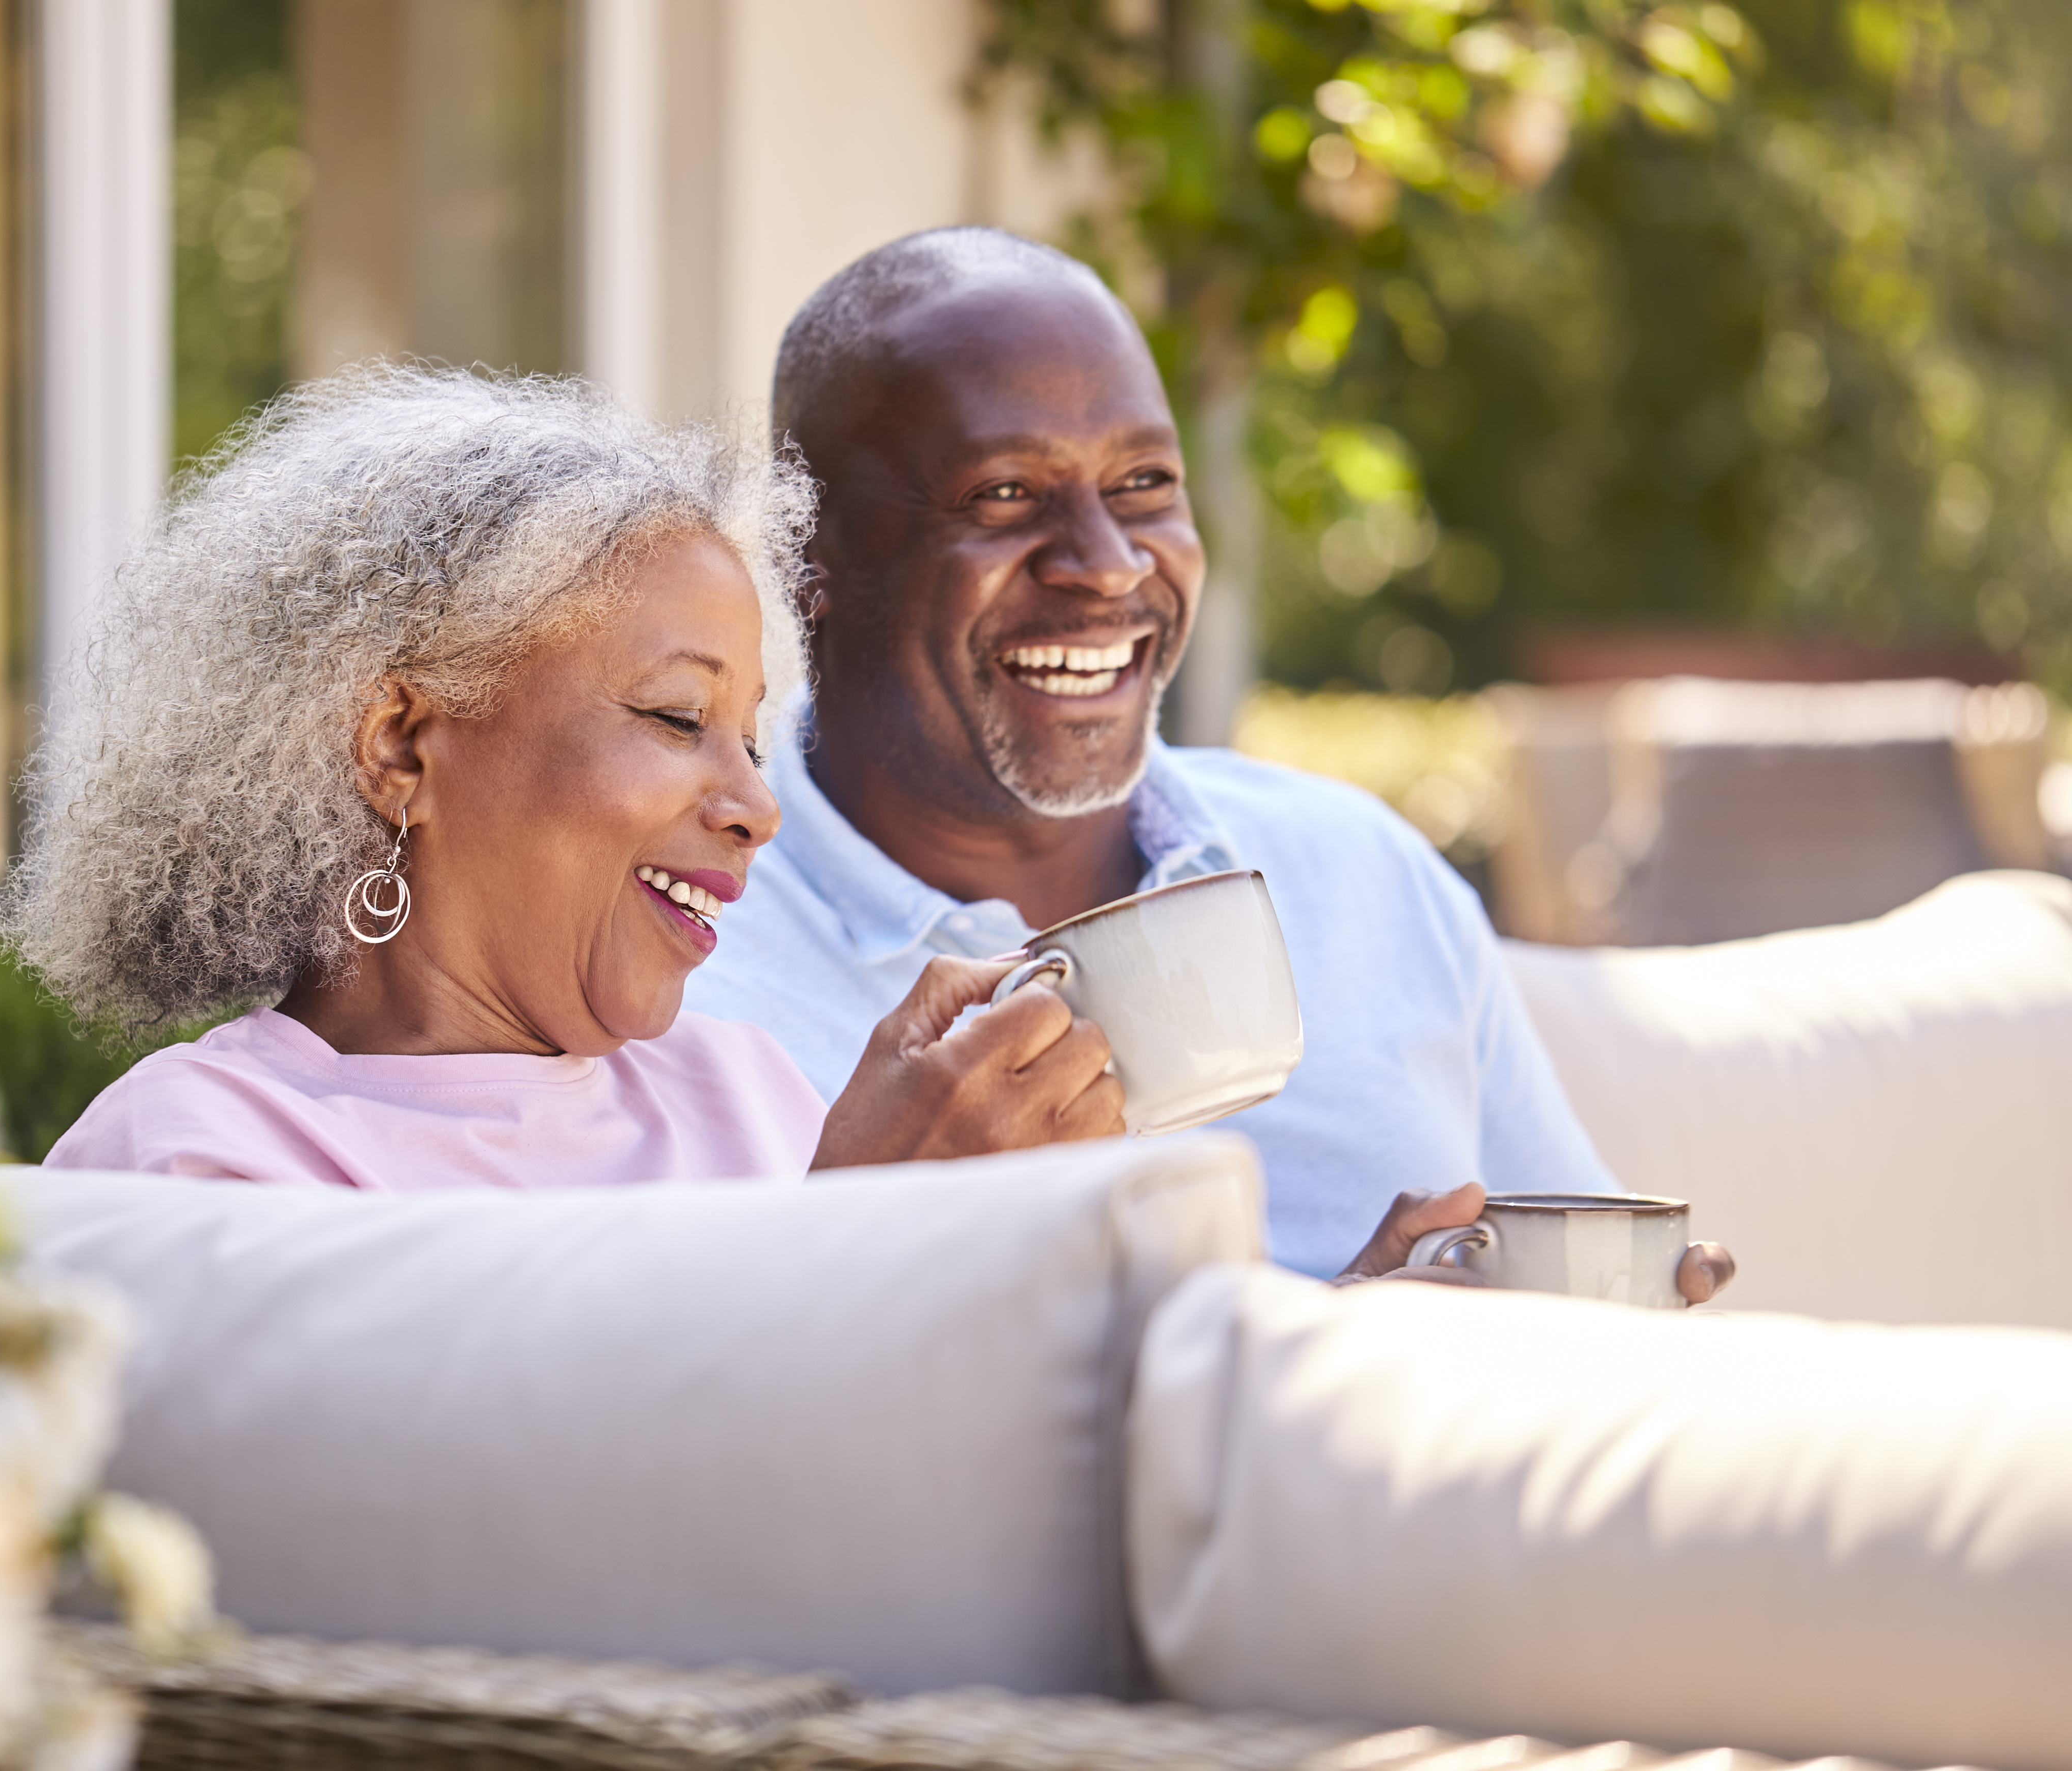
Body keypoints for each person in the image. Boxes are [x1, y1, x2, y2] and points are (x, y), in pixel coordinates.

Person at [679, 228, 1731, 1298]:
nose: (1108, 562)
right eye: (1004, 493)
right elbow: (653, 1447)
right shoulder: (677, 964)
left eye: (1143, 483)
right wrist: (863, 1233)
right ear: (811, 555)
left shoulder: (1358, 874)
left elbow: (1594, 1303)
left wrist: (1633, 1333)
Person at [0, 366, 1125, 1191]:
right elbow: (489, 1513)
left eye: (750, 738)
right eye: (678, 716)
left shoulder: (744, 1095)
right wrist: (864, 1224)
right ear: (400, 746)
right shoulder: (206, 1153)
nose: (759, 809)